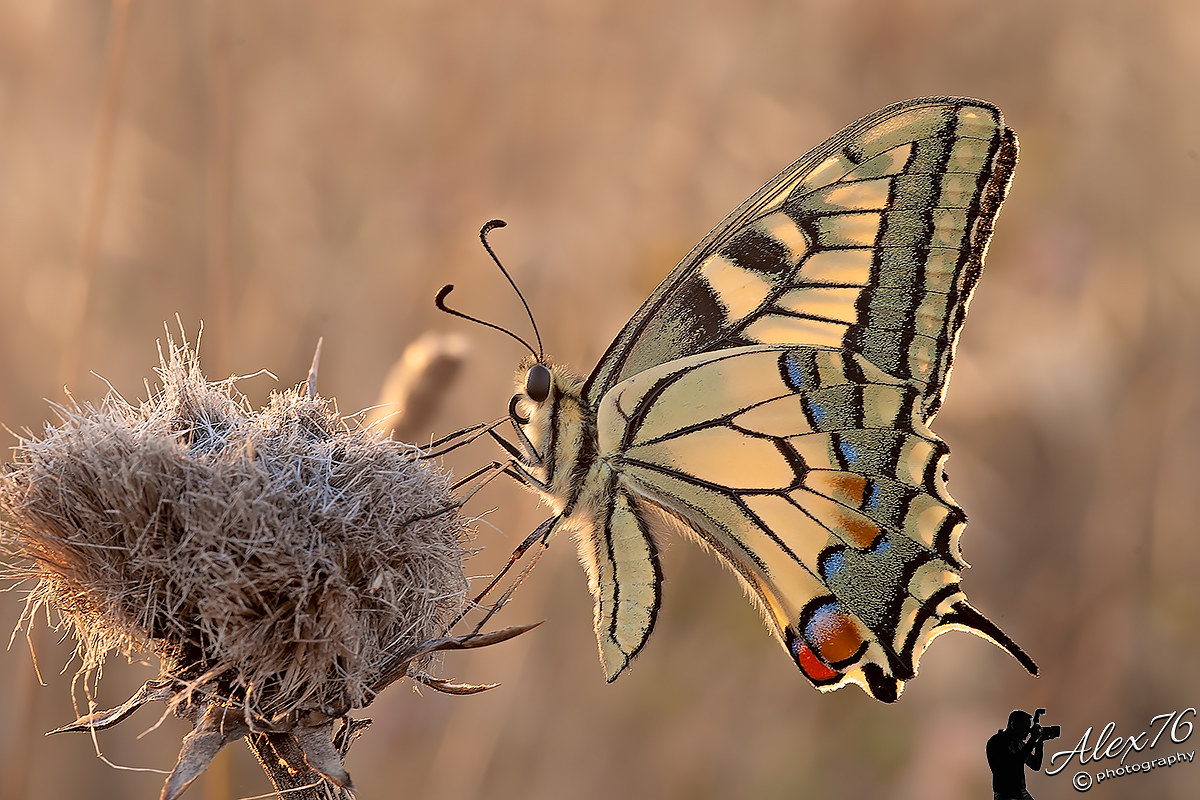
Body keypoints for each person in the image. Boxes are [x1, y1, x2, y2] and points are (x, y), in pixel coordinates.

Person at [986, 709, 1045, 800]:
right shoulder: (996, 742)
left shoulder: (1018, 743)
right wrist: (1032, 740)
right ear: (1013, 725)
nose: (1028, 731)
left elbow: (1035, 765)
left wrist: (1039, 742)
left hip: (1021, 792)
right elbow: (1011, 765)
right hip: (1005, 795)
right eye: (1025, 727)